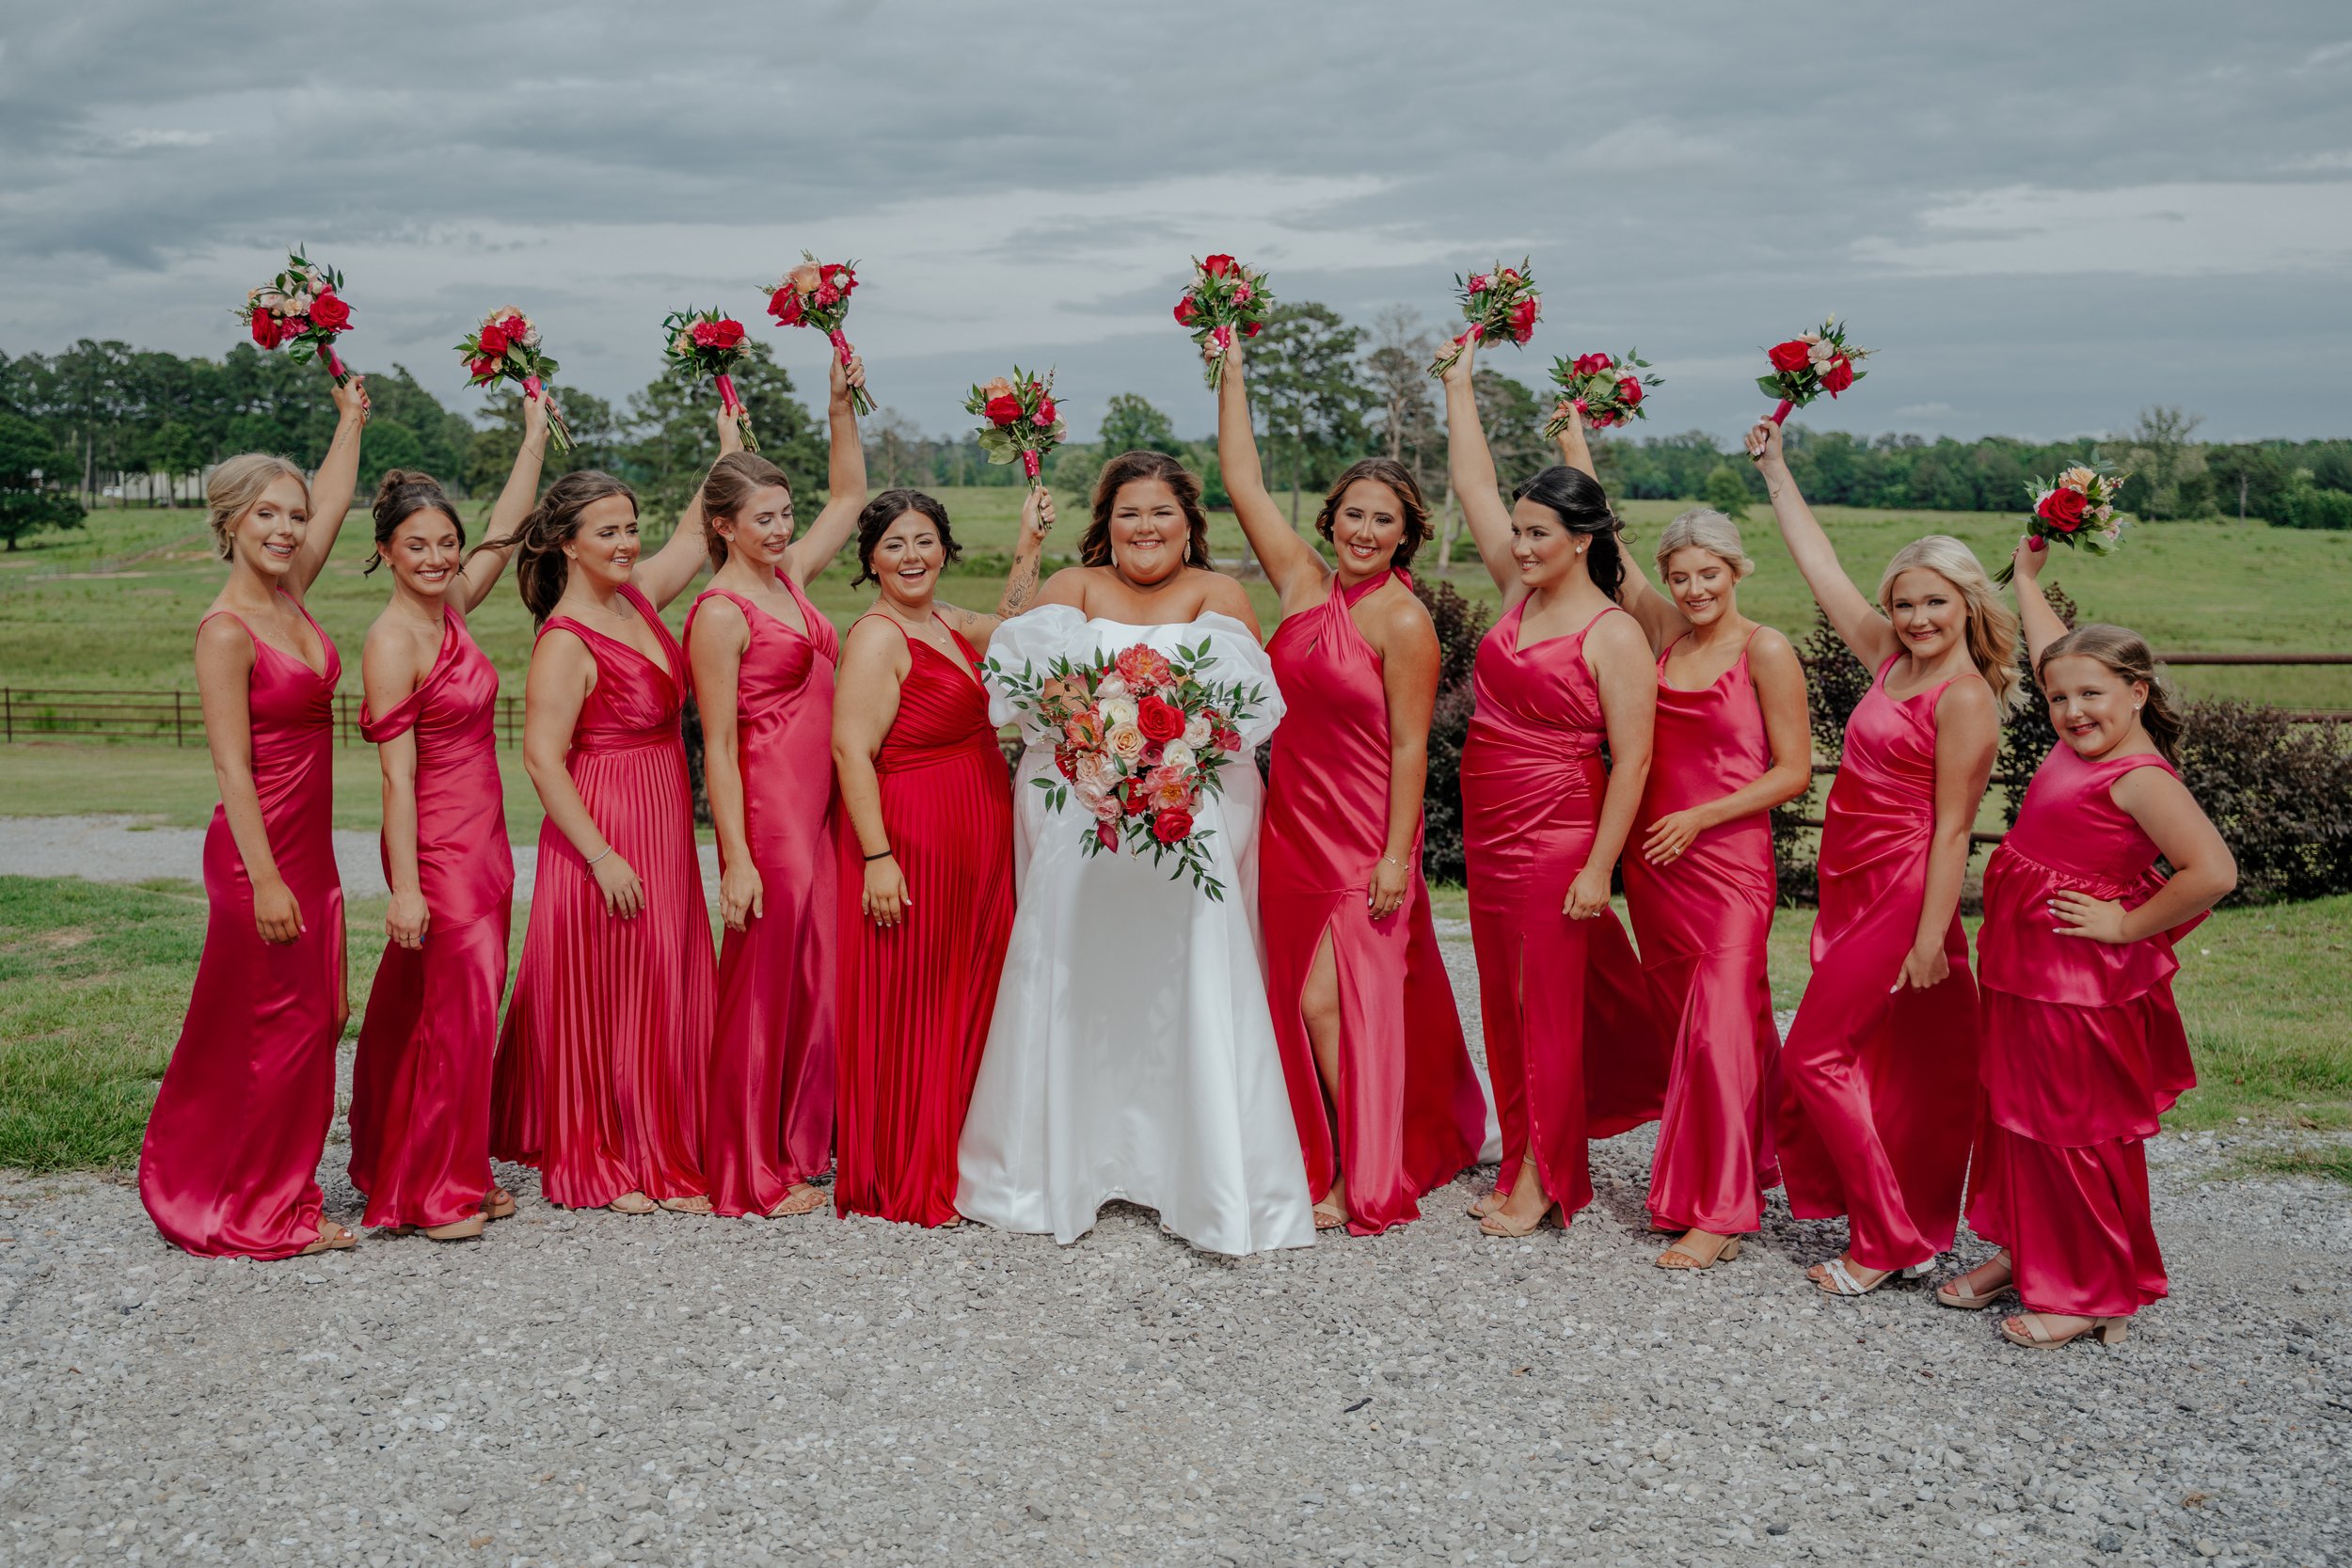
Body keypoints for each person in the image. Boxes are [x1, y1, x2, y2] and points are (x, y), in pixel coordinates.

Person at [956, 449, 1312, 1256]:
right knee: (1075, 970)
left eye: (1161, 512)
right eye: (1129, 513)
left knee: (1190, 976)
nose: (1145, 527)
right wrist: (1101, 755)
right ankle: (1057, 1167)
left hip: (1191, 820)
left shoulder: (1219, 595)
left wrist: (1170, 759)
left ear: (1189, 524)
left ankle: (1201, 1174)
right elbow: (1022, 693)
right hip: (1086, 822)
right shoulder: (1073, 590)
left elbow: (1245, 716)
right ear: (1105, 525)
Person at [1214, 337, 1486, 1236]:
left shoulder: (1404, 619)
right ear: (1330, 521)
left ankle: (1360, 1177)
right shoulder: (1298, 582)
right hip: (1290, 825)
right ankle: (1320, 1151)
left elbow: (1413, 746)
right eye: (1352, 517)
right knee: (1294, 995)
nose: (1364, 533)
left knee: (1329, 1001)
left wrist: (1397, 856)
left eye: (1383, 521)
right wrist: (1233, 364)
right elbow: (1242, 478)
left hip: (1363, 832)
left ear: (1407, 533)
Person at [1935, 541, 2234, 1348]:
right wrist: (2026, 579)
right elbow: (2053, 653)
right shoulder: (2081, 734)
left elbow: (2213, 871)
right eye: (2058, 697)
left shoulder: (2138, 776)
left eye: (2093, 695)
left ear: (2138, 693)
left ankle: (2089, 1287)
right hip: (2025, 963)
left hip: (2077, 979)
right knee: (2016, 1116)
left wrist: (2129, 925)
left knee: (2069, 1128)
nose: (2071, 711)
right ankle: (2029, 1251)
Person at [1746, 417, 2011, 1296]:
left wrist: (1932, 935)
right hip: (1847, 881)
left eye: (1935, 601)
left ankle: (1889, 1238)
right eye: (1903, 602)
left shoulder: (1965, 694)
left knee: (1816, 1055)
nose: (1916, 617)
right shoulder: (1888, 661)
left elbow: (1951, 828)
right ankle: (1892, 1218)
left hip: (1903, 889)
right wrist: (1777, 470)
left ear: (1968, 603)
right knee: (1868, 1060)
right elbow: (1822, 572)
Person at [1575, 404, 1812, 1269]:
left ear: (1736, 569)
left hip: (1727, 863)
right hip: (1658, 868)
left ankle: (1718, 1209)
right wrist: (1576, 441)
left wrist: (1701, 816)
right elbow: (1613, 551)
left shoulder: (1766, 649)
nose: (1694, 590)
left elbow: (1794, 771)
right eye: (1681, 576)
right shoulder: (1666, 639)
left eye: (1709, 574)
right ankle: (1762, 1153)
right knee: (1705, 1027)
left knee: (1718, 1023)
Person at [139, 374, 371, 1259]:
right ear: (230, 522)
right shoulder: (228, 627)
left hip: (310, 852)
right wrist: (267, 878)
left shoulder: (290, 592)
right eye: (266, 515)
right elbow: (231, 768)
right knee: (279, 1028)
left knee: (318, 1017)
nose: (285, 529)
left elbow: (339, 498)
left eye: (292, 516)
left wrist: (350, 417)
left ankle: (275, 1185)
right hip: (256, 856)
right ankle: (253, 1209)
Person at [1440, 338, 1666, 1240]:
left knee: (1549, 1014)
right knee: (1501, 999)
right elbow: (1473, 487)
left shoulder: (1613, 633)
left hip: (1559, 831)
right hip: (1492, 828)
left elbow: (1635, 760)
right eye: (1520, 531)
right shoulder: (1516, 596)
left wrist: (1599, 867)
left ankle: (1546, 1179)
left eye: (1539, 534)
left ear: (1583, 541)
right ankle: (1520, 1155)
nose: (1520, 543)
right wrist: (1459, 384)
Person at [485, 433, 720, 1215]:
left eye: (629, 526)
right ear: (566, 543)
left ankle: (662, 1142)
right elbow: (542, 759)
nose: (627, 542)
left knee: (663, 975)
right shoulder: (563, 638)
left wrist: (720, 447)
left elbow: (694, 534)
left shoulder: (638, 597)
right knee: (615, 984)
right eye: (608, 531)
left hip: (661, 809)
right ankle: (601, 1154)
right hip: (604, 822)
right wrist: (600, 856)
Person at [345, 392, 548, 1241]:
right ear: (385, 550)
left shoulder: (455, 605)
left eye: (445, 543)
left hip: (488, 839)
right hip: (436, 850)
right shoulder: (393, 639)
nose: (436, 557)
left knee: (458, 1008)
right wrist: (406, 888)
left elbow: (507, 527)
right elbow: (395, 779)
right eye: (416, 545)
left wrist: (533, 432)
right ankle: (434, 1191)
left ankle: (443, 1160)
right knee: (457, 1009)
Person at [831, 486, 1050, 1226]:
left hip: (978, 829)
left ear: (945, 549)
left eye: (924, 540)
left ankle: (964, 1154)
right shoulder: (877, 637)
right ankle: (908, 1167)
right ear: (870, 559)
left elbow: (1017, 629)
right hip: (916, 831)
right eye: (894, 544)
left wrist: (1027, 540)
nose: (912, 556)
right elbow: (851, 751)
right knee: (921, 995)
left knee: (973, 985)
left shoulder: (948, 621)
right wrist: (878, 856)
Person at [687, 352, 867, 1219]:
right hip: (769, 812)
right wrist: (735, 858)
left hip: (823, 803)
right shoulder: (721, 612)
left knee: (820, 974)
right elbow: (717, 746)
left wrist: (838, 403)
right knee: (761, 983)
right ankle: (744, 1169)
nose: (782, 527)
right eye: (763, 517)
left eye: (784, 513)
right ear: (722, 526)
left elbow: (851, 499)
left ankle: (802, 1141)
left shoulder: (789, 577)